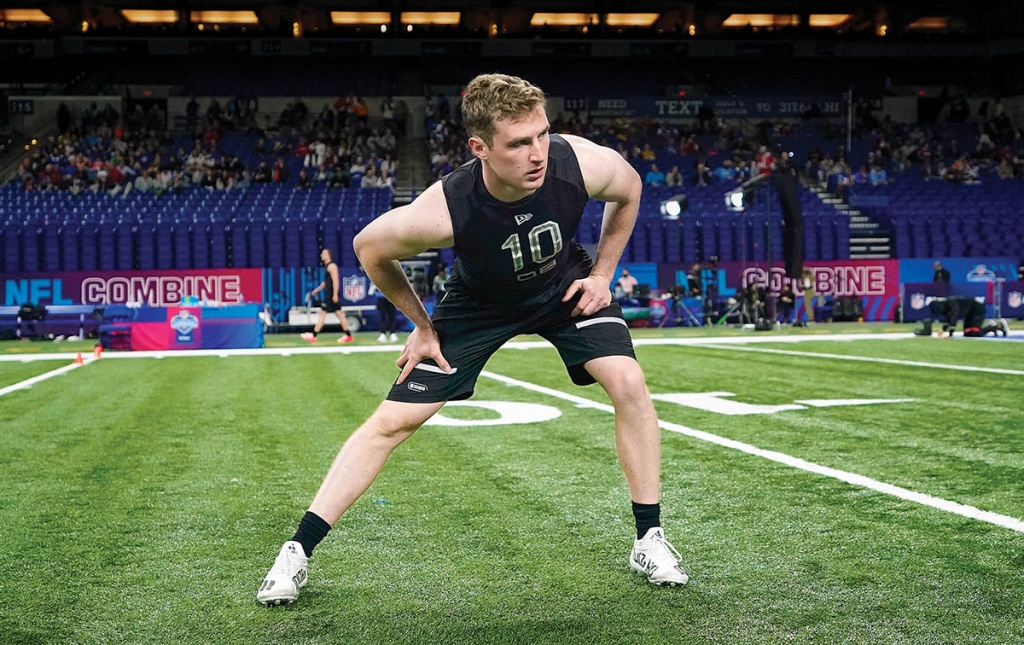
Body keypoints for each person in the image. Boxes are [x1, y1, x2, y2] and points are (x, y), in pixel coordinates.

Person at [257, 73, 688, 606]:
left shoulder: (578, 161)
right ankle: (297, 550)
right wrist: (422, 325)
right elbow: (369, 248)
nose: (537, 154)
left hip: (561, 286)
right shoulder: (446, 208)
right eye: (518, 143)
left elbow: (629, 190)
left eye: (542, 135)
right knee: (393, 422)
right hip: (479, 305)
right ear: (479, 148)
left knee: (629, 382)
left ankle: (649, 538)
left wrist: (601, 275)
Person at [301, 248, 354, 344]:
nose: (321, 255)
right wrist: (317, 290)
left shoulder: (332, 266)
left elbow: (335, 281)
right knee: (339, 314)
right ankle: (348, 335)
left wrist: (334, 294)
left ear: (329, 255)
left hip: (331, 295)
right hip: (329, 294)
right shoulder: (327, 267)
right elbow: (326, 282)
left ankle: (313, 335)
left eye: (324, 253)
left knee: (323, 313)